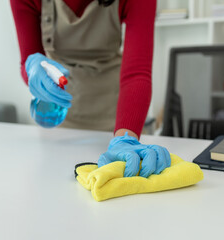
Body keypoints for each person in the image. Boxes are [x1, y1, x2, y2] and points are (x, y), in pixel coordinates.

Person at [10, 0, 171, 177]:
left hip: (119, 120)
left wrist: (126, 138)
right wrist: (32, 69)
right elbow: (28, 61)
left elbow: (137, 73)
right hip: (60, 122)